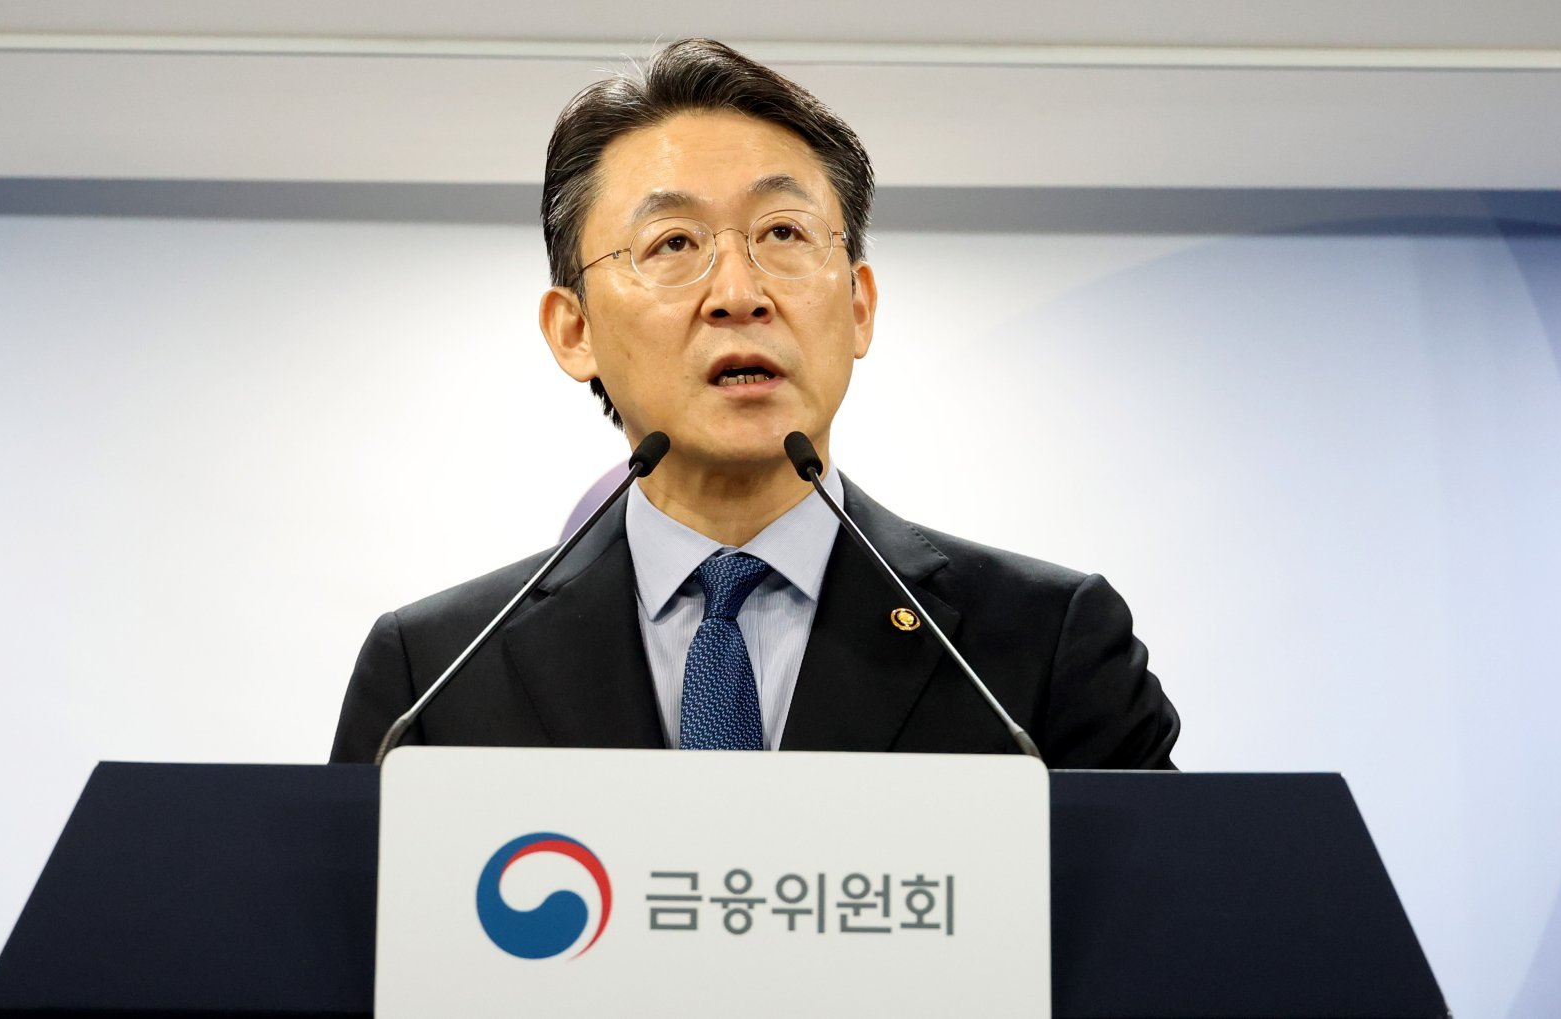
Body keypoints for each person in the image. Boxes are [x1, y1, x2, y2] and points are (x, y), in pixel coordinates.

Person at [329, 39, 1179, 767]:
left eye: (783, 234)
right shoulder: (434, 675)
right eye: (673, 243)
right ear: (574, 329)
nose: (739, 294)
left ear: (858, 306)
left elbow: (1163, 904)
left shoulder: (1042, 645)